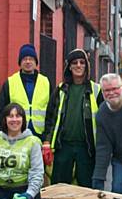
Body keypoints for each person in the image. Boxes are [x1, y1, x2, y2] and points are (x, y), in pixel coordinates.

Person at [43, 49, 103, 187]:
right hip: (63, 146)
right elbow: (50, 118)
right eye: (74, 62)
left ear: (86, 66)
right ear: (69, 66)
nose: (78, 65)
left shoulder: (96, 90)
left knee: (86, 188)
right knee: (59, 187)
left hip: (87, 147)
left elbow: (105, 122)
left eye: (82, 62)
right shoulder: (60, 89)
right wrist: (46, 141)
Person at [0, 43, 52, 141]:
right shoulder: (10, 82)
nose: (28, 62)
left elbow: (52, 110)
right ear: (20, 62)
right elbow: (2, 110)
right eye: (24, 59)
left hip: (40, 135)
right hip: (16, 134)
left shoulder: (46, 82)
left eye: (31, 59)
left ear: (36, 62)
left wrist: (48, 135)